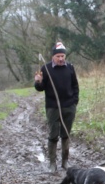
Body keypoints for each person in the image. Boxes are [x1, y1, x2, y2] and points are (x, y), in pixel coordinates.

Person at [34, 41, 79, 173]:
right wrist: (38, 82)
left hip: (69, 106)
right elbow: (39, 88)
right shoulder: (46, 69)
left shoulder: (70, 68)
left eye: (62, 56)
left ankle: (65, 161)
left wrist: (74, 101)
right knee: (53, 135)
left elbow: (75, 86)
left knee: (66, 134)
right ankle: (52, 163)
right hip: (53, 107)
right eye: (58, 56)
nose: (60, 58)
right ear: (53, 57)